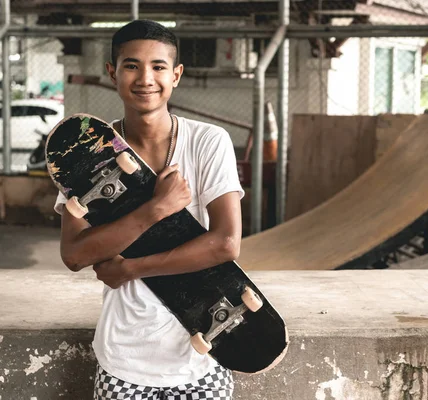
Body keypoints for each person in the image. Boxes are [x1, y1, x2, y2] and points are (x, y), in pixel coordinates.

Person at [54, 19, 244, 399]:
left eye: (158, 67)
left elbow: (225, 244)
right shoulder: (86, 154)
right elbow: (75, 254)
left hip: (202, 355)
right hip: (123, 359)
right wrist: (155, 209)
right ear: (112, 73)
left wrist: (131, 267)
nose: (145, 78)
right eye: (131, 65)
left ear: (176, 75)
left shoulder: (207, 142)